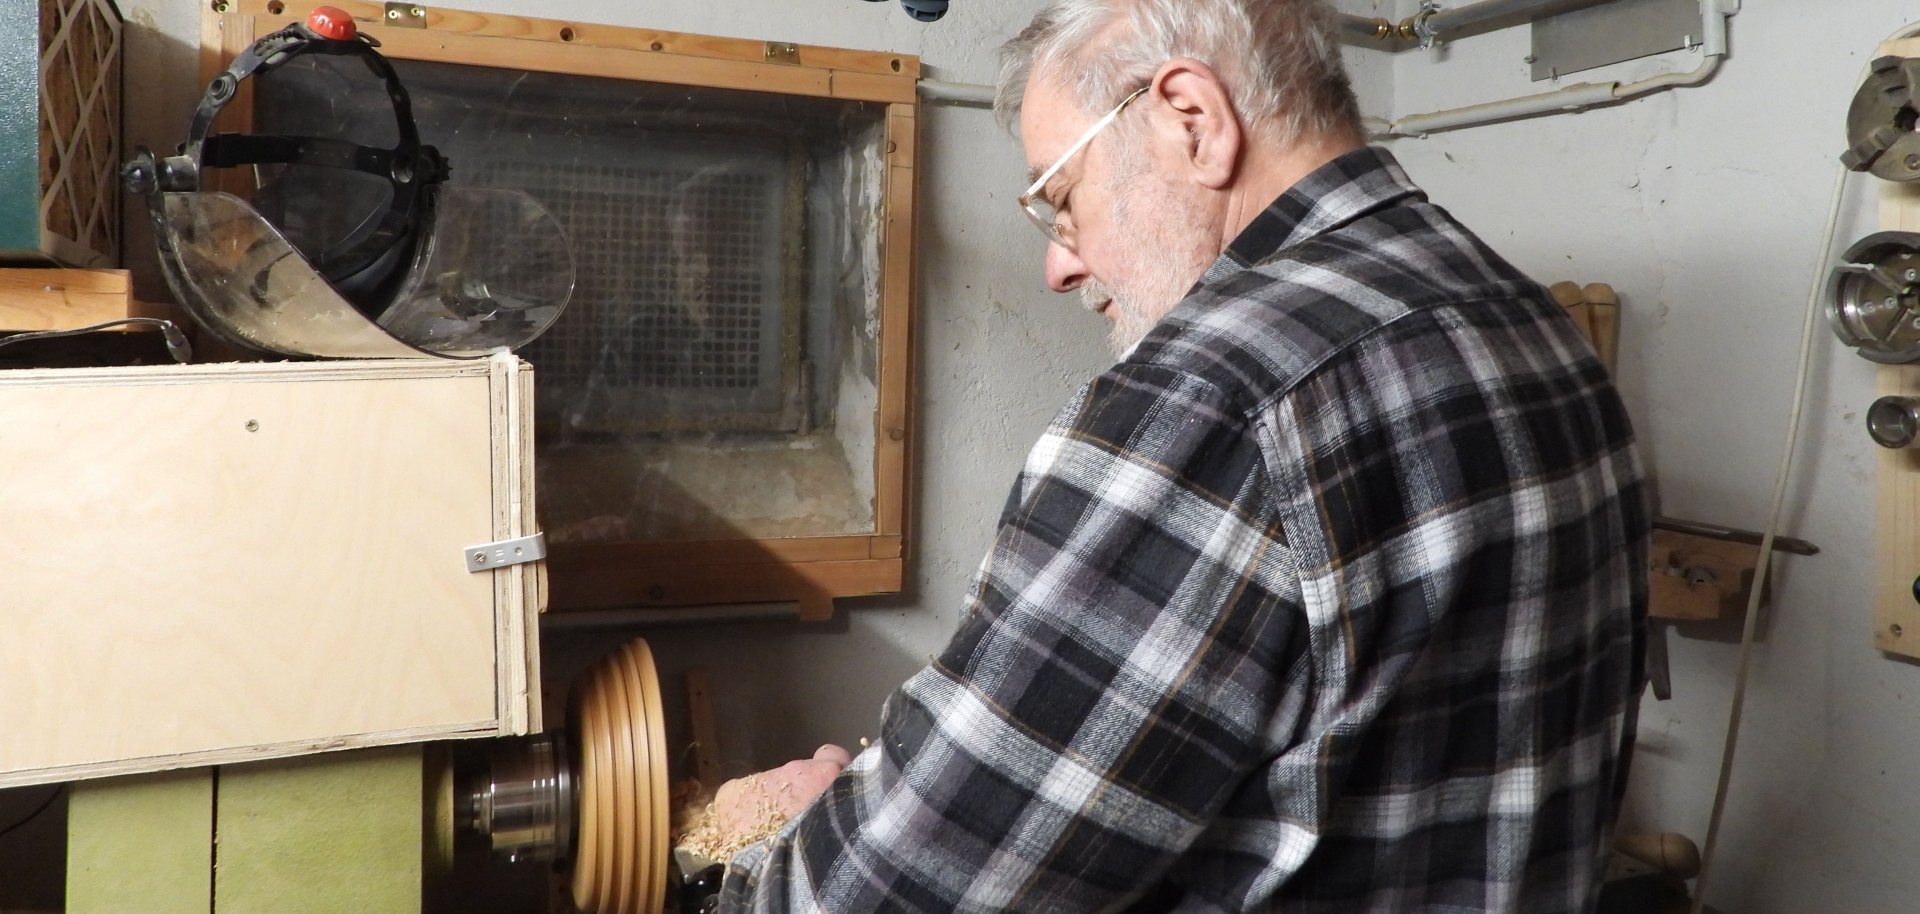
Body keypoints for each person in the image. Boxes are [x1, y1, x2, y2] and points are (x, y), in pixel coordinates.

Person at [713, 0, 1649, 911]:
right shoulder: (1531, 323)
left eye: (1061, 198)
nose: (1059, 266)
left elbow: (891, 893)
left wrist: (775, 847)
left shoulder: (1209, 401)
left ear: (1192, 120)